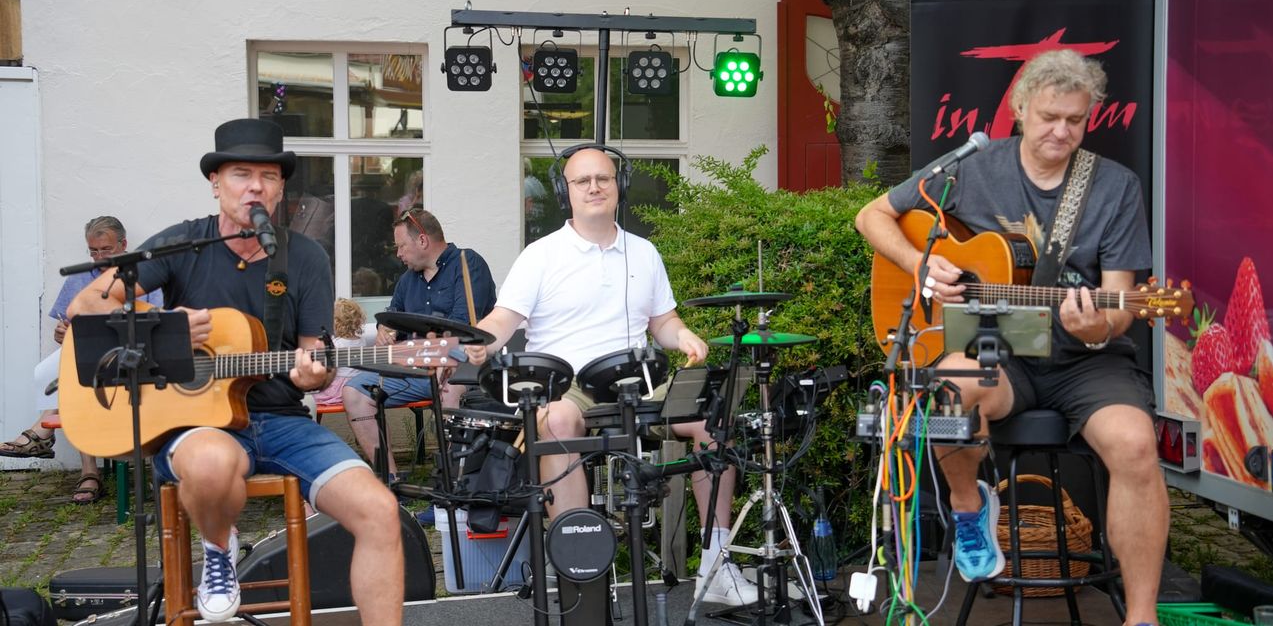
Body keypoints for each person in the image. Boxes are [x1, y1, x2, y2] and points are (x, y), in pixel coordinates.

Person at [854, 49, 1165, 626]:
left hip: (1085, 359)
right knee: (948, 390)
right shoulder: (971, 165)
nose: (1061, 131)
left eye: (1075, 120)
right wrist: (920, 268)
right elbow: (871, 216)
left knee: (1135, 445)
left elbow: (1122, 300)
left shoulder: (1114, 187)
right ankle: (970, 506)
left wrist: (1100, 322)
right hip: (997, 347)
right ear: (1021, 109)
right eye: (1049, 116)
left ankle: (1141, 616)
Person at [66, 118, 403, 625]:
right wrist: (166, 326)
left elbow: (313, 356)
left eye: (267, 177)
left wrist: (313, 375)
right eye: (241, 174)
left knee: (380, 511)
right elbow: (85, 307)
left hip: (282, 420)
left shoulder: (304, 256)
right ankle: (219, 549)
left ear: (281, 186)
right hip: (196, 424)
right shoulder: (183, 243)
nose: (255, 186)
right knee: (209, 463)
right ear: (216, 183)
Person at [466, 147, 759, 606]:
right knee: (557, 421)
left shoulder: (643, 252)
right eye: (582, 181)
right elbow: (504, 318)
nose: (594, 187)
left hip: (637, 377)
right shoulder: (541, 255)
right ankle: (581, 569)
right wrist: (477, 341)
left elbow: (662, 320)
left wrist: (683, 335)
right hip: (569, 386)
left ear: (619, 185)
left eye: (602, 178)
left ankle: (716, 564)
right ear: (566, 192)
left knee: (711, 419)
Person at [1, 216, 163, 504]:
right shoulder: (79, 277)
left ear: (123, 245)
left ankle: (41, 434)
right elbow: (63, 326)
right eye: (93, 251)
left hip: (135, 353)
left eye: (106, 249)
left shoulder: (145, 273)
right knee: (50, 369)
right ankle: (89, 471)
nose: (99, 257)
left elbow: (160, 320)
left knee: (78, 369)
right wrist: (64, 333)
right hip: (89, 353)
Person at [340, 208, 496, 480]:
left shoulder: (468, 263)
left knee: (448, 386)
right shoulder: (406, 280)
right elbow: (393, 315)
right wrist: (384, 329)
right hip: (413, 369)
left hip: (461, 367)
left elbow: (463, 324)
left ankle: (453, 485)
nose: (398, 254)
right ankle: (390, 483)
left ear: (422, 240)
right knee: (355, 392)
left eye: (401, 246)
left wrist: (432, 353)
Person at [311, 298, 368, 406]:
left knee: (311, 395)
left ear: (337, 324)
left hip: (339, 388)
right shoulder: (362, 341)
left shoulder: (336, 344)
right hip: (357, 386)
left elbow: (327, 366)